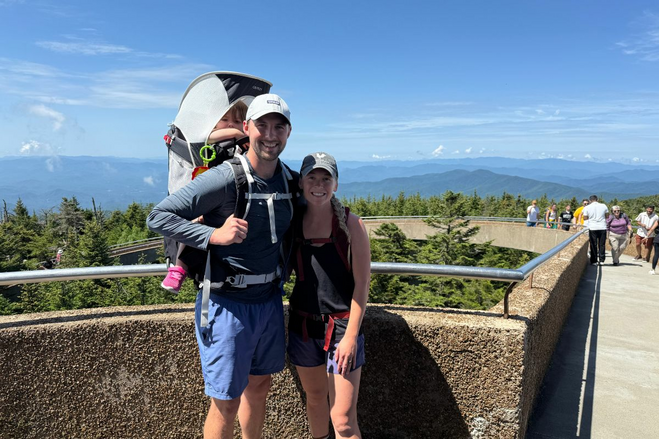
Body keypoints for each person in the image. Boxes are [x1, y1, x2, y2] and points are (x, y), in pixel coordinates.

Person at [147, 94, 294, 439]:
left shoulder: (288, 179)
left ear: (288, 133)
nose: (270, 135)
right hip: (226, 303)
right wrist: (213, 235)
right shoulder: (226, 178)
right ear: (247, 129)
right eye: (262, 126)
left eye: (279, 127)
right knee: (225, 403)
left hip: (269, 299)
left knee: (260, 389)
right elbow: (158, 216)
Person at [287, 152, 370, 439]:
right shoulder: (292, 221)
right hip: (303, 325)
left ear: (336, 184)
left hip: (342, 327)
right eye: (312, 177)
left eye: (326, 178)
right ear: (301, 182)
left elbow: (362, 286)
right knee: (314, 399)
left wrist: (350, 338)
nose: (318, 184)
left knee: (343, 420)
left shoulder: (352, 225)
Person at [161, 101, 248, 293]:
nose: (230, 124)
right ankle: (178, 269)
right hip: (205, 199)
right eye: (224, 119)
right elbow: (208, 136)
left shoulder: (241, 146)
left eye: (237, 120)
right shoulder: (207, 139)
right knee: (194, 226)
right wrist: (240, 132)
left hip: (229, 204)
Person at [582, 194, 609, 265]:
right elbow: (607, 216)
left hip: (592, 227)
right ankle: (602, 260)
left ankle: (594, 260)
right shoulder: (604, 205)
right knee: (602, 244)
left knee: (593, 244)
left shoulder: (587, 207)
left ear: (590, 200)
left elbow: (585, 217)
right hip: (602, 227)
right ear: (597, 199)